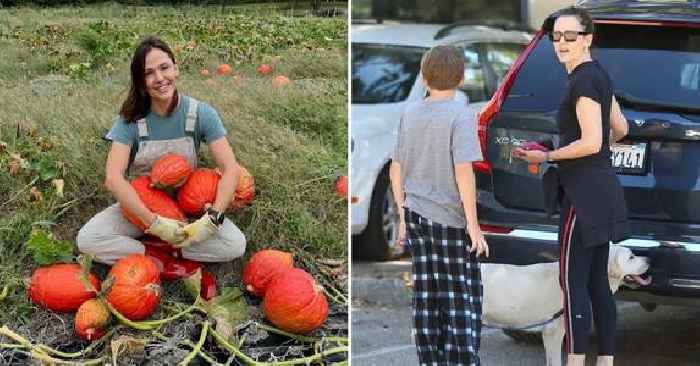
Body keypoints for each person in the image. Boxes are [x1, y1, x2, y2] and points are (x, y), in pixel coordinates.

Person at [76, 36, 246, 300]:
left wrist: (212, 219)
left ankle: (157, 248)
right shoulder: (130, 120)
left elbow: (231, 168)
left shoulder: (200, 113)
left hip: (188, 207)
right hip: (140, 206)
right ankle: (163, 259)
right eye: (149, 73)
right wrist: (153, 223)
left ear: (176, 68)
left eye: (164, 68)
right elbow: (113, 178)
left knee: (235, 244)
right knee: (87, 240)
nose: (159, 78)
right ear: (141, 82)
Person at [513, 6, 629, 366]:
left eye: (570, 36)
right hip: (603, 189)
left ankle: (576, 360)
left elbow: (593, 141)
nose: (561, 43)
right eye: (556, 36)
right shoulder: (598, 76)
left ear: (587, 39)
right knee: (596, 283)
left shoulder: (582, 81)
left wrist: (547, 157)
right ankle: (606, 361)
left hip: (582, 194)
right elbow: (620, 129)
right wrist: (568, 149)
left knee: (572, 282)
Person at [390, 45, 489, 366]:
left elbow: (397, 165)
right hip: (450, 219)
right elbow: (464, 171)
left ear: (423, 76)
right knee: (460, 297)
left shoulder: (411, 113)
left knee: (427, 295)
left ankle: (429, 359)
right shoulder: (461, 116)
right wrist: (473, 225)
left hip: (416, 215)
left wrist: (402, 214)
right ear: (461, 79)